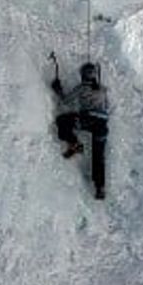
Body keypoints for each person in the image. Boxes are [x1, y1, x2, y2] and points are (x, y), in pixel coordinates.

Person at [51, 57, 110, 200]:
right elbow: (107, 106)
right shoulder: (103, 89)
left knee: (62, 121)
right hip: (102, 126)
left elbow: (65, 101)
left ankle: (75, 144)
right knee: (98, 157)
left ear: (83, 75)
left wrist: (58, 88)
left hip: (88, 120)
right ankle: (100, 188)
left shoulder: (82, 87)